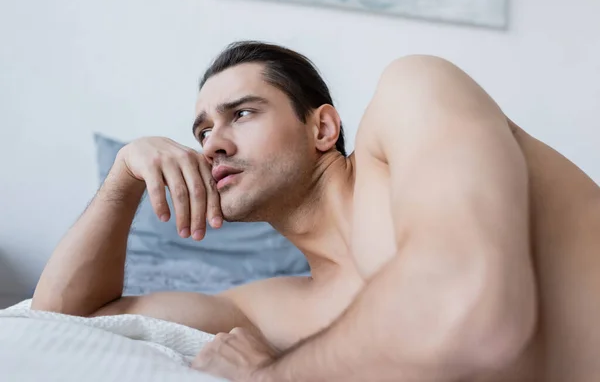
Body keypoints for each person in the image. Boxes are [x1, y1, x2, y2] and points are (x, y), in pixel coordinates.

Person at [31, 41, 600, 382]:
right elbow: (61, 317)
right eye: (201, 130)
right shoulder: (275, 309)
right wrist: (123, 177)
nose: (213, 144)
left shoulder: (411, 95)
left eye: (242, 114)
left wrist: (273, 376)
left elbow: (471, 308)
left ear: (323, 127)